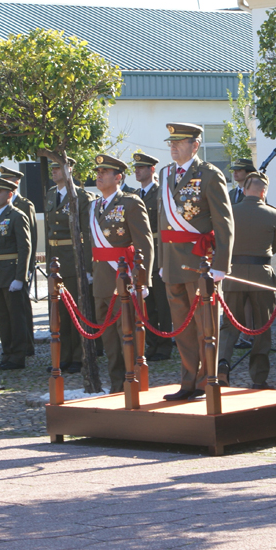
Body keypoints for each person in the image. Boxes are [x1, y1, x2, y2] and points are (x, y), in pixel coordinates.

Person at [157, 123, 234, 400]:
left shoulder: (209, 175)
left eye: (179, 142)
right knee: (182, 329)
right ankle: (187, 381)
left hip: (200, 262)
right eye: (171, 142)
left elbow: (224, 222)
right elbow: (161, 221)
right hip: (173, 262)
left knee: (205, 326)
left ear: (195, 145)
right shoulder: (165, 174)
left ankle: (205, 381)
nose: (173, 146)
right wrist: (160, 260)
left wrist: (221, 265)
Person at [88, 154, 153, 394]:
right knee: (109, 341)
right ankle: (116, 386)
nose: (99, 176)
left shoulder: (131, 202)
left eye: (104, 172)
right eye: (98, 172)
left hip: (123, 279)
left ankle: (132, 383)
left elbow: (144, 244)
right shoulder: (94, 205)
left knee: (127, 335)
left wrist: (142, 278)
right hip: (101, 280)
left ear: (118, 177)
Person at [218, 173, 276, 388]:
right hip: (261, 275)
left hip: (233, 274)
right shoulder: (273, 214)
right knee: (262, 327)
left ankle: (222, 366)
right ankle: (259, 378)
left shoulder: (231, 212)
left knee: (229, 326)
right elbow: (275, 246)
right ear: (264, 192)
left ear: (244, 190)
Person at [45, 157, 92, 373]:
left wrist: (88, 266)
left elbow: (88, 234)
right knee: (58, 310)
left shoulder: (81, 196)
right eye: (52, 168)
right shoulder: (50, 195)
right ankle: (63, 356)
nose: (54, 171)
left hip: (73, 258)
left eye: (58, 167)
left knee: (74, 308)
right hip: (56, 259)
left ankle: (78, 356)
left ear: (69, 169)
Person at [131, 152, 174, 362]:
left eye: (141, 167)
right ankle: (152, 344)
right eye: (136, 168)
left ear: (152, 170)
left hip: (158, 252)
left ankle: (165, 345)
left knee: (162, 302)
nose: (137, 171)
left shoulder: (161, 193)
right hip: (140, 255)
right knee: (147, 304)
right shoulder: (134, 196)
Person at [0, 177, 33, 371]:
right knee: (2, 318)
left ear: (10, 195)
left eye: (0, 192)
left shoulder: (16, 215)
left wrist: (20, 277)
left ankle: (17, 356)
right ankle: (6, 353)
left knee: (16, 318)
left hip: (12, 273)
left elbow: (25, 248)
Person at [0, 166, 38, 355]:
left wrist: (27, 269)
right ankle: (11, 349)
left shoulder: (23, 205)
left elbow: (30, 240)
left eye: (9, 180)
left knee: (20, 311)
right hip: (1, 271)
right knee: (7, 314)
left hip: (17, 266)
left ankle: (25, 346)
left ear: (16, 183)